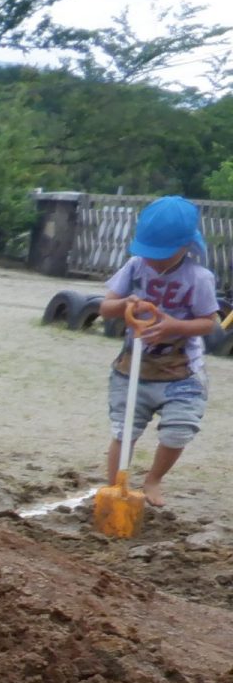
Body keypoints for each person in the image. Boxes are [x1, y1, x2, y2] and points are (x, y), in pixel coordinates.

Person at [95, 196, 219, 508]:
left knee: (179, 430)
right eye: (149, 252)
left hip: (181, 373)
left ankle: (153, 479)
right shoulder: (135, 268)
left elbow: (208, 323)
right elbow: (105, 307)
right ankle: (116, 486)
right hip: (132, 368)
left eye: (162, 254)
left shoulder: (199, 278)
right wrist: (124, 305)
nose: (154, 260)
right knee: (124, 430)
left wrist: (174, 326)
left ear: (186, 246)